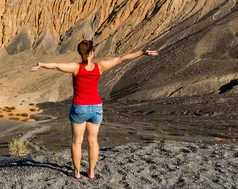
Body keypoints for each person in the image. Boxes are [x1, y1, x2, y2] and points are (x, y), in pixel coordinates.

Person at [30, 40, 158, 179]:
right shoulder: (100, 66)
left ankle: (77, 172)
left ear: (80, 53)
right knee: (93, 141)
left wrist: (42, 65)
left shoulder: (76, 67)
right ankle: (91, 172)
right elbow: (121, 59)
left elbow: (56, 66)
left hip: (79, 107)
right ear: (92, 52)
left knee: (76, 141)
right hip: (96, 107)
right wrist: (142, 53)